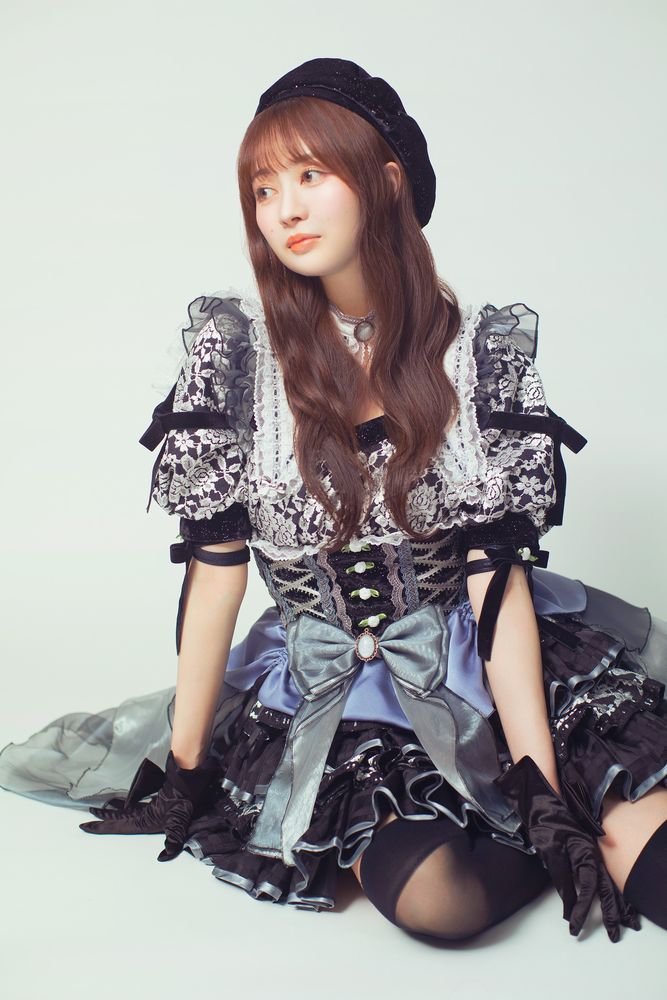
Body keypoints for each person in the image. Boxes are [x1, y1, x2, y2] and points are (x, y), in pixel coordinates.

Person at [1, 56, 667, 943]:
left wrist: (542, 785)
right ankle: (549, 833)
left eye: (311, 175)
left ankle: (566, 814)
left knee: (649, 854)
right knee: (438, 902)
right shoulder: (234, 355)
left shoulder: (476, 353)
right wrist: (187, 771)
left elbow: (494, 583)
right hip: (329, 692)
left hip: (484, 658)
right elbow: (214, 576)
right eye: (263, 187)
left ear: (385, 182)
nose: (284, 208)